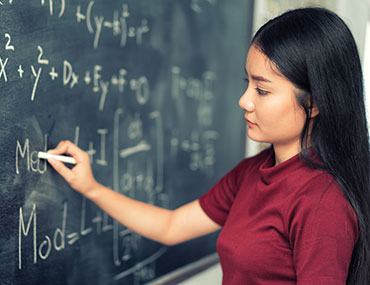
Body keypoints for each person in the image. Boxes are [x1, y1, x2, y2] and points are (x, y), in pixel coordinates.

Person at [48, 7, 370, 284]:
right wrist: (91, 188)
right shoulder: (253, 172)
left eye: (263, 90)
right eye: (248, 83)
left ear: (313, 103)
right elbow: (171, 226)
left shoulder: (323, 202)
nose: (244, 101)